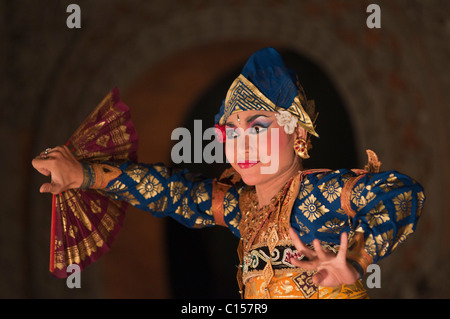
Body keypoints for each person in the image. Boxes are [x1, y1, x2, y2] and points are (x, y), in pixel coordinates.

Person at [32, 47, 425, 299]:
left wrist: (357, 257)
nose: (241, 145)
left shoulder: (322, 193)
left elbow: (401, 194)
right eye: (229, 133)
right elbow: (174, 194)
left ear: (297, 133)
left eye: (257, 127)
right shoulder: (244, 209)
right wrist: (85, 175)